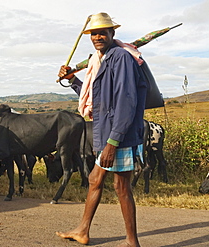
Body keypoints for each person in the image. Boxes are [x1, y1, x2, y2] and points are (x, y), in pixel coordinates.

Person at [55, 12, 147, 247]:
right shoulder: (101, 60)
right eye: (93, 33)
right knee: (97, 180)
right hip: (108, 131)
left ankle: (132, 242)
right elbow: (98, 101)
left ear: (112, 33)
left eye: (102, 32)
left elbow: (127, 101)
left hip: (120, 135)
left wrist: (112, 143)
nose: (97, 36)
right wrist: (73, 80)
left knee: (120, 186)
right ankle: (83, 231)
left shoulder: (121, 58)